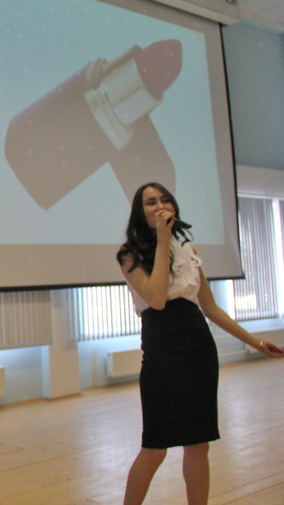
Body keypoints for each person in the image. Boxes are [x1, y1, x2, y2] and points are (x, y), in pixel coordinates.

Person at [117, 182, 284, 505]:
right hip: (162, 352)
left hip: (199, 349)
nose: (160, 206)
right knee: (155, 448)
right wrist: (163, 242)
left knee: (198, 444)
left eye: (165, 199)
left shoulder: (188, 252)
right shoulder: (128, 255)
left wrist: (256, 342)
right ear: (140, 212)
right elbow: (156, 299)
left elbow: (211, 308)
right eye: (151, 202)